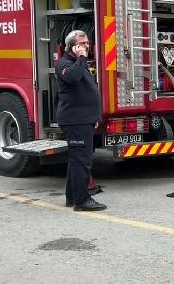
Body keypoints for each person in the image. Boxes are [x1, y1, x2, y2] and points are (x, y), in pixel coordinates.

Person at [56, 30, 106, 211]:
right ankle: (82, 201)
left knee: (76, 160)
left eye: (87, 43)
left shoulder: (78, 64)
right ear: (72, 47)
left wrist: (93, 117)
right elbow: (72, 77)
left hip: (83, 120)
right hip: (74, 121)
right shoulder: (64, 64)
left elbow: (86, 91)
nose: (87, 46)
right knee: (81, 161)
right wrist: (82, 58)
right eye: (82, 43)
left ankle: (72, 197)